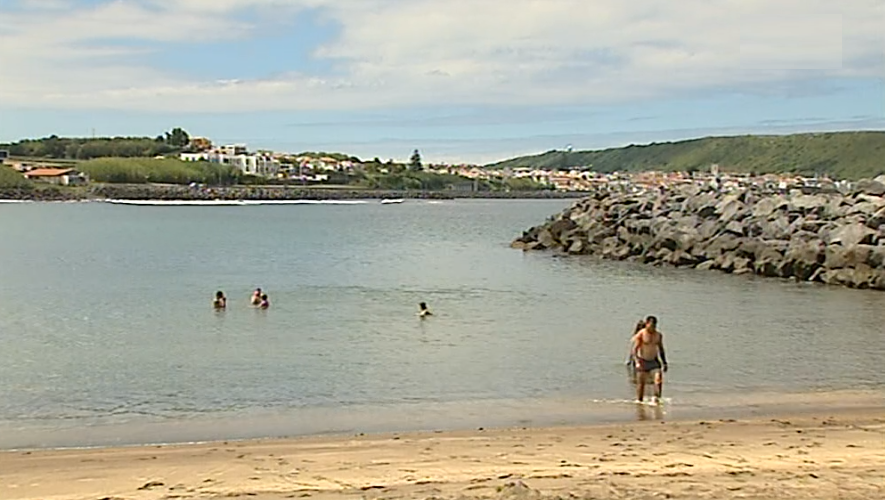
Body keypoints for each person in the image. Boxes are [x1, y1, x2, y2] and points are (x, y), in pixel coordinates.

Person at [630, 315, 668, 404]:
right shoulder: (641, 334)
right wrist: (637, 362)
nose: (652, 328)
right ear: (646, 324)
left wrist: (664, 362)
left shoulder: (658, 335)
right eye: (651, 326)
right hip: (642, 360)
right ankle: (640, 402)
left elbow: (661, 349)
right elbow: (634, 350)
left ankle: (657, 399)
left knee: (658, 380)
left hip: (654, 361)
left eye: (654, 326)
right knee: (641, 384)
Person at [625, 319, 647, 384]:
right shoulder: (639, 337)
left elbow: (632, 351)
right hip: (640, 357)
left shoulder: (635, 337)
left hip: (638, 358)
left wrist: (629, 360)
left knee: (637, 373)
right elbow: (633, 350)